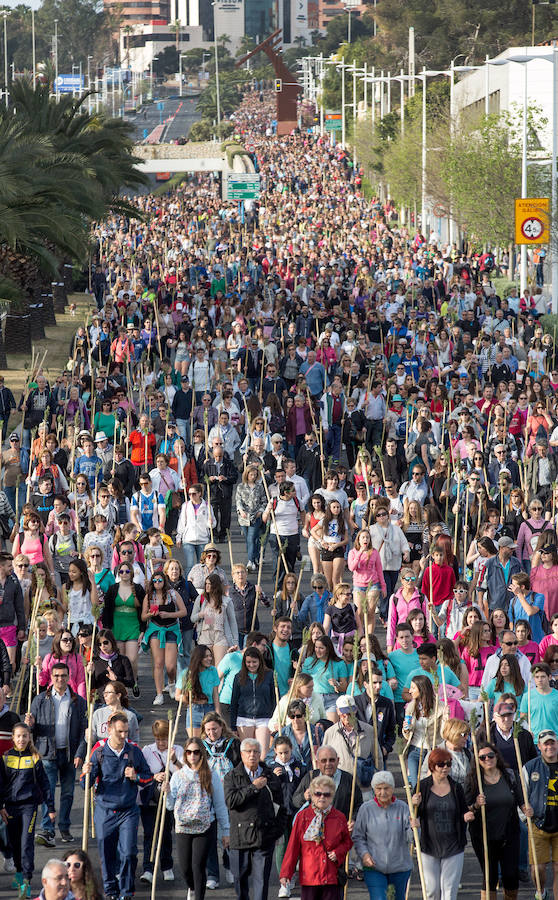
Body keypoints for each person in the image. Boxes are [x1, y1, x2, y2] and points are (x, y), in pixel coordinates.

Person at [81, 713, 153, 900]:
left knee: (129, 853)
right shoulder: (98, 751)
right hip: (105, 810)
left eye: (126, 732)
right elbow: (84, 784)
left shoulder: (134, 751)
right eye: (120, 731)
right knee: (107, 855)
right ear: (109, 728)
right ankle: (111, 892)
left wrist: (135, 776)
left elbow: (148, 778)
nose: (123, 736)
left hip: (128, 811)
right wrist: (85, 773)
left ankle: (127, 893)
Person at [25, 661, 87, 848]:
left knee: (68, 793)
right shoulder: (39, 700)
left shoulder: (78, 701)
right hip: (46, 753)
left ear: (69, 677)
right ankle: (47, 830)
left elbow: (85, 731)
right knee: (48, 792)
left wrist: (79, 753)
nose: (60, 679)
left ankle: (65, 827)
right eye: (56, 676)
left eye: (63, 676)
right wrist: (30, 724)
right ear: (51, 678)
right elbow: (31, 730)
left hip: (69, 754)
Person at [464, 741, 529, 900]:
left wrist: (526, 808)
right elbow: (466, 808)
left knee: (511, 875)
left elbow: (521, 799)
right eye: (482, 757)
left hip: (509, 833)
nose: (487, 759)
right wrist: (476, 805)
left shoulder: (509, 775)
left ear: (496, 756)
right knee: (490, 875)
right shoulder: (473, 780)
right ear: (477, 761)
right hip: (484, 836)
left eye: (490, 755)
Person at [224, 737, 286, 900]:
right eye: (248, 751)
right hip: (240, 836)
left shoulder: (270, 776)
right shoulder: (232, 776)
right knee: (239, 879)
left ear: (260, 754)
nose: (252, 755)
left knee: (261, 882)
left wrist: (276, 831)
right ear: (242, 754)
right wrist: (253, 788)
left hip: (264, 835)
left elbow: (280, 805)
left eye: (255, 751)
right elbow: (231, 801)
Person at [411, 747, 474, 900]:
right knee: (431, 891)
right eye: (441, 764)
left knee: (449, 891)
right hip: (429, 845)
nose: (445, 768)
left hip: (453, 845)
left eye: (448, 764)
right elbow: (415, 815)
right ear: (432, 766)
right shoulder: (422, 787)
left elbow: (463, 810)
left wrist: (467, 815)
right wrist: (414, 806)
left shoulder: (456, 788)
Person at [0, 722, 54, 894]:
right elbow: (0, 784)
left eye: (25, 736)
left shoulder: (35, 758)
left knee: (26, 843)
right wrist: (1, 805)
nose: (22, 739)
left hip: (29, 807)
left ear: (29, 737)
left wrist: (51, 807)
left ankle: (26, 881)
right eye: (18, 736)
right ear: (13, 738)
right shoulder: (6, 757)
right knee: (14, 843)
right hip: (9, 807)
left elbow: (45, 784)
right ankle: (18, 873)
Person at [279, 774, 352, 900]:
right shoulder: (302, 817)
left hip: (331, 876)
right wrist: (286, 873)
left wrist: (338, 852)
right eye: (318, 794)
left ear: (332, 796)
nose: (322, 797)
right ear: (312, 795)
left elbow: (347, 842)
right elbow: (293, 846)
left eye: (327, 794)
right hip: (309, 876)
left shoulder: (340, 817)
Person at [353, 770, 413, 900]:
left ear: (392, 789)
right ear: (374, 789)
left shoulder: (402, 808)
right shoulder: (366, 809)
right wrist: (364, 854)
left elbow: (413, 839)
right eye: (379, 788)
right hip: (374, 867)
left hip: (400, 867)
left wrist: (414, 828)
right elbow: (358, 836)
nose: (383, 792)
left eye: (386, 788)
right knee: (380, 898)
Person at [140, 718, 184, 883]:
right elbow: (142, 774)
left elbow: (186, 774)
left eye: (164, 739)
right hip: (151, 798)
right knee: (149, 834)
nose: (161, 743)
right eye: (158, 739)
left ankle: (167, 866)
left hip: (169, 799)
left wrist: (173, 761)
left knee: (166, 833)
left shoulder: (178, 750)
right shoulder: (147, 751)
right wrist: (154, 777)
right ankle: (148, 869)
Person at [523, 729, 558, 899]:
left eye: (552, 742)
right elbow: (522, 796)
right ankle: (541, 891)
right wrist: (524, 812)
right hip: (538, 823)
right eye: (546, 744)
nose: (549, 746)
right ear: (539, 746)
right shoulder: (530, 767)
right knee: (538, 868)